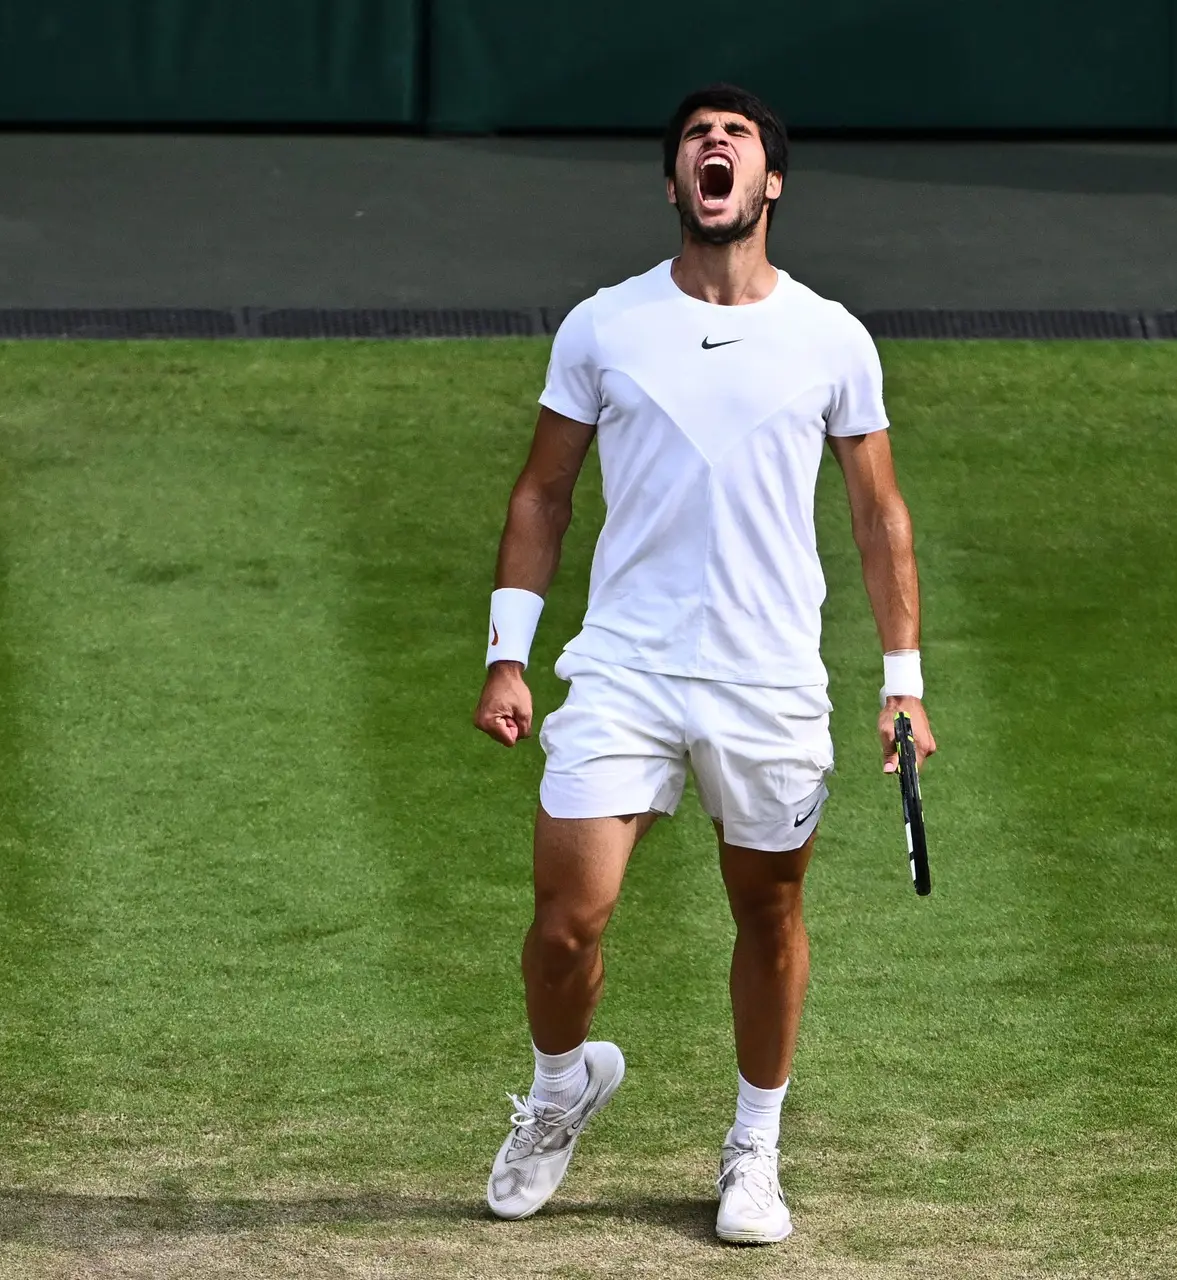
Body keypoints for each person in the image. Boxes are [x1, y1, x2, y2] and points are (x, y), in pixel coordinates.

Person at [470, 83, 936, 1245]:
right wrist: (508, 655)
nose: (714, 149)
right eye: (695, 140)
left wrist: (904, 679)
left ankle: (754, 1146)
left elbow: (880, 517)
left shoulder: (832, 336)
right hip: (624, 668)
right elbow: (543, 491)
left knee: (768, 914)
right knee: (567, 919)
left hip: (768, 679)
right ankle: (562, 1083)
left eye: (735, 140)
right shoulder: (603, 325)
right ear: (675, 183)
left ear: (769, 182)